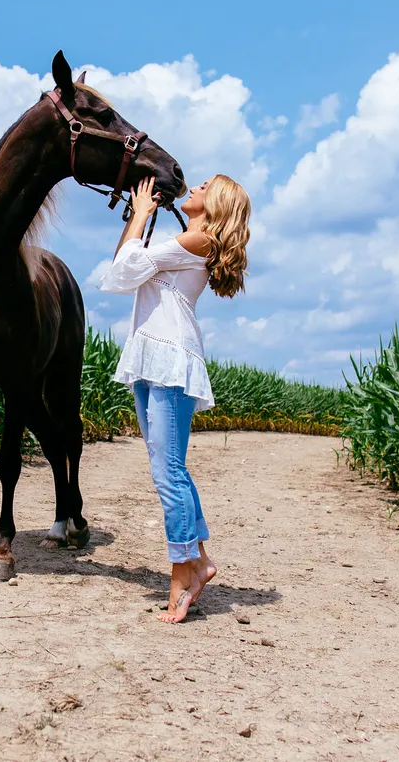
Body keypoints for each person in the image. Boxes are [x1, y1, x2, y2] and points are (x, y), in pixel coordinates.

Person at [99, 174, 252, 623]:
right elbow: (122, 270)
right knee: (170, 470)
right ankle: (199, 562)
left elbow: (121, 273)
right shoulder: (188, 241)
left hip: (169, 360)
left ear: (215, 204)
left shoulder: (197, 240)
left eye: (204, 187)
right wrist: (137, 218)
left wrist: (142, 213)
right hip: (153, 357)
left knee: (168, 473)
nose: (194, 188)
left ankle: (182, 574)